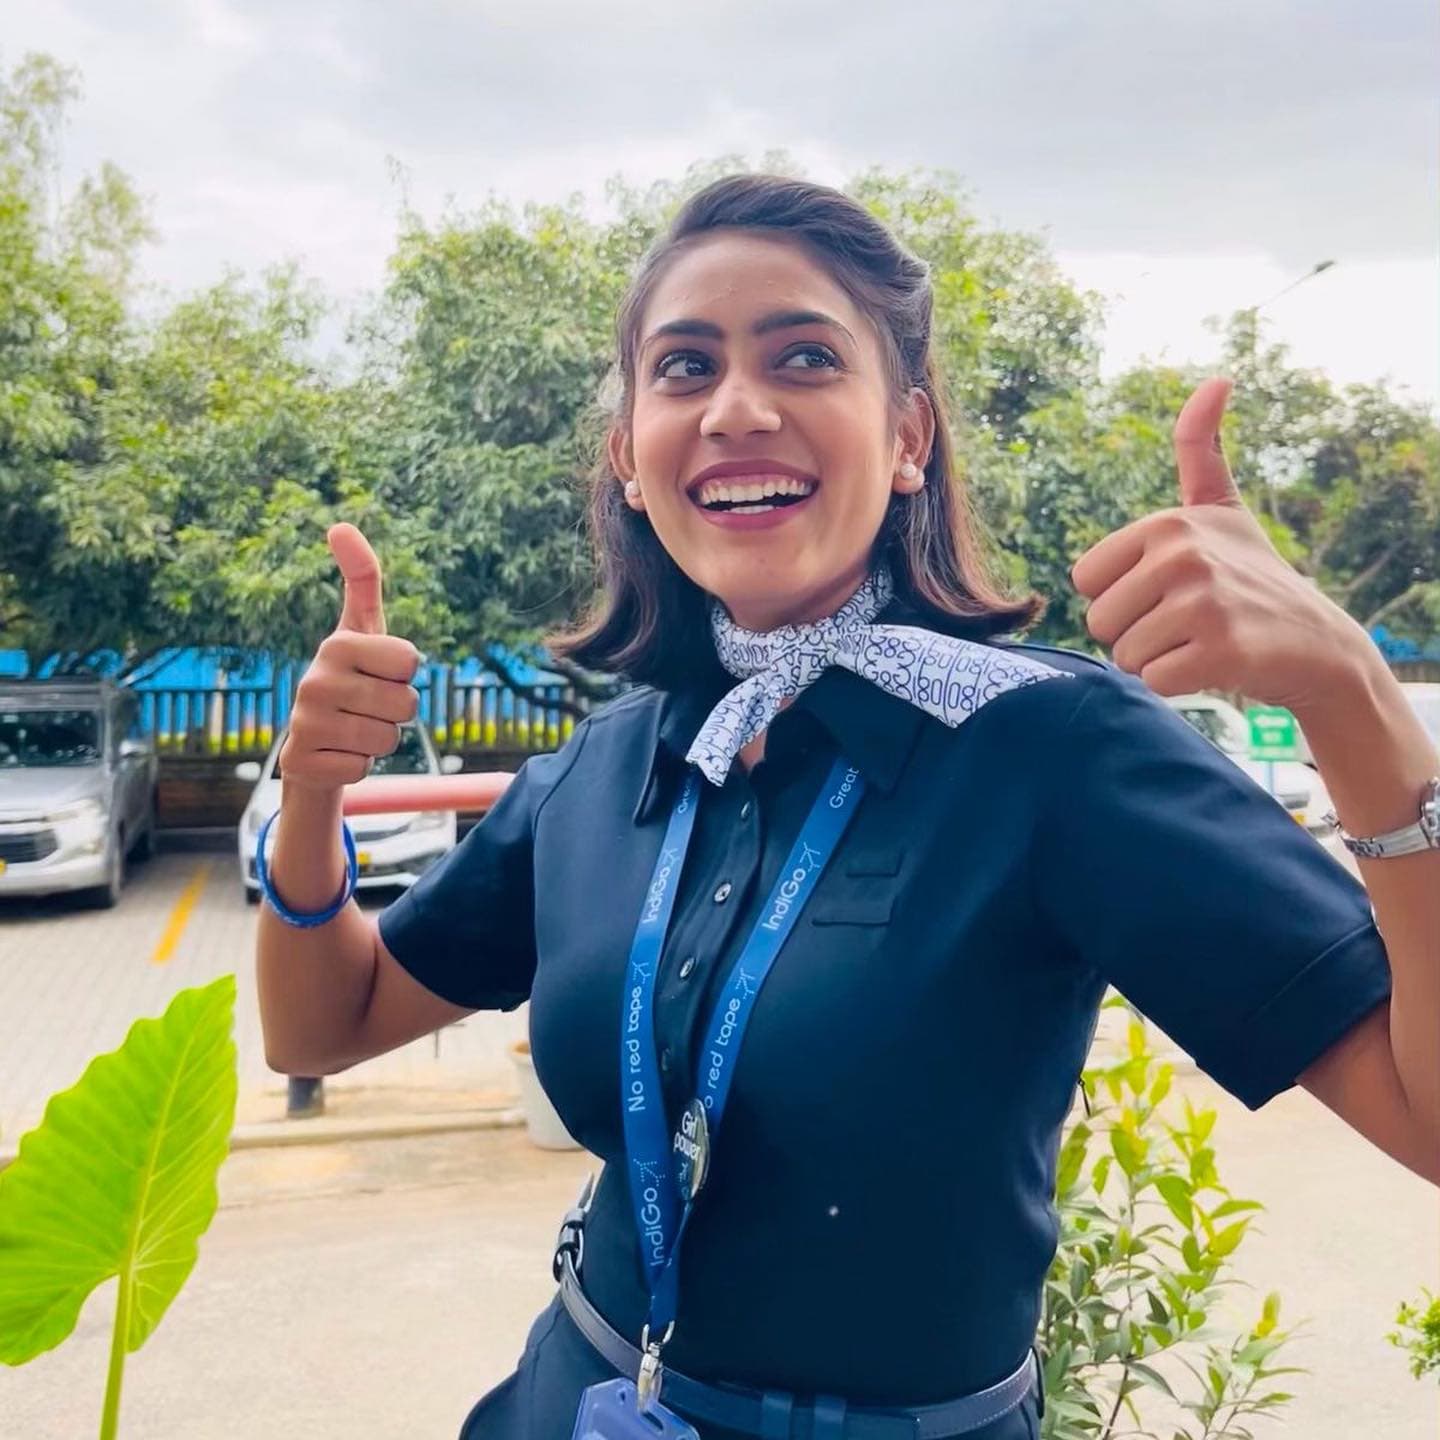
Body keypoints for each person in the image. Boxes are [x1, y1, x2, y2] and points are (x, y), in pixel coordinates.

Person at [255, 175, 1438, 1440]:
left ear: (910, 436)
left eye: (806, 356)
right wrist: (314, 796)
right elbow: (324, 1027)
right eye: (685, 368)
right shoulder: (606, 767)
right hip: (577, 1403)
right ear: (631, 462)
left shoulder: (1052, 751)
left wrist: (1353, 699)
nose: (739, 408)